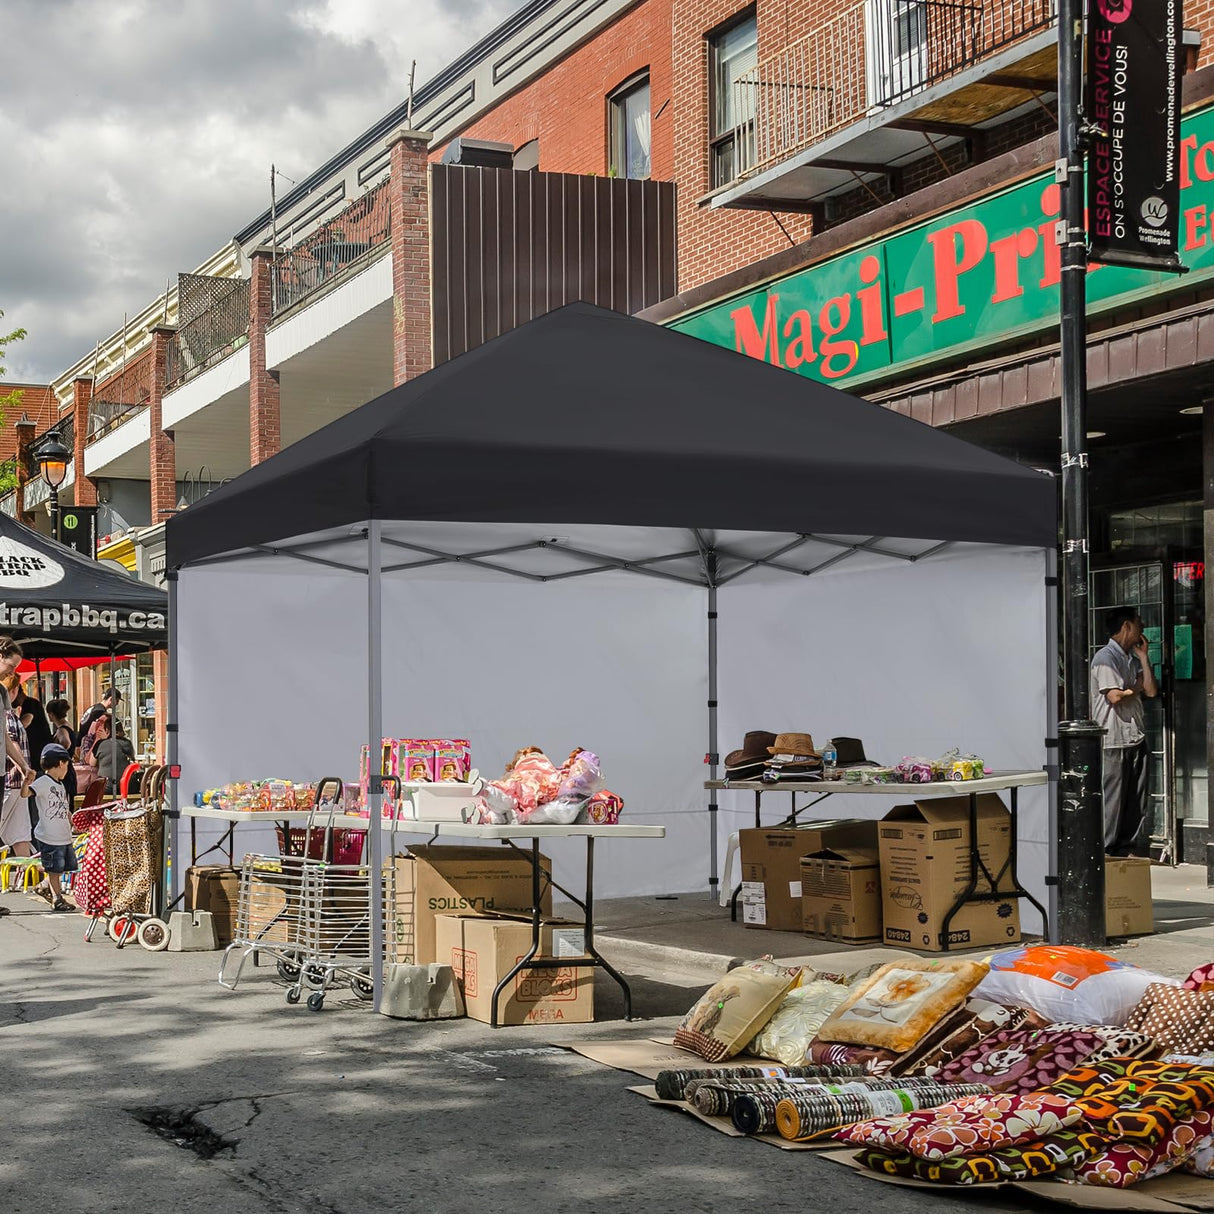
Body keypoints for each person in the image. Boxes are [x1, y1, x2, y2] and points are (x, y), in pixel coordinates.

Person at [1091, 605, 1160, 857]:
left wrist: (1144, 658)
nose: (1143, 627)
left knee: (1136, 799)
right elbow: (1115, 696)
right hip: (1113, 738)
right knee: (1113, 799)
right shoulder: (1105, 658)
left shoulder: (1131, 658)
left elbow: (1151, 690)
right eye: (1139, 622)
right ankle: (1106, 851)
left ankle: (1126, 848)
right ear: (1127, 626)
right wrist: (1135, 687)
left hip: (1135, 735)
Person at [29, 744, 76, 912]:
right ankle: (57, 899)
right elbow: (26, 794)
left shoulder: (60, 785)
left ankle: (44, 886)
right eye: (67, 765)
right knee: (54, 869)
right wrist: (27, 780)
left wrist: (72, 819)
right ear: (61, 763)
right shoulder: (42, 782)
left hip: (62, 834)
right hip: (49, 835)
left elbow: (63, 807)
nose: (67, 770)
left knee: (62, 867)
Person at [90, 716, 136, 795]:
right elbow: (132, 757)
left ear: (107, 730)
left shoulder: (100, 744)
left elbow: (92, 763)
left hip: (107, 787)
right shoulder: (127, 743)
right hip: (128, 786)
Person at [45, 699, 79, 802]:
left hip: (63, 769)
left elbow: (66, 743)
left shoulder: (61, 730)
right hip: (68, 768)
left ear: (51, 714)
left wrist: (56, 755)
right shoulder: (68, 726)